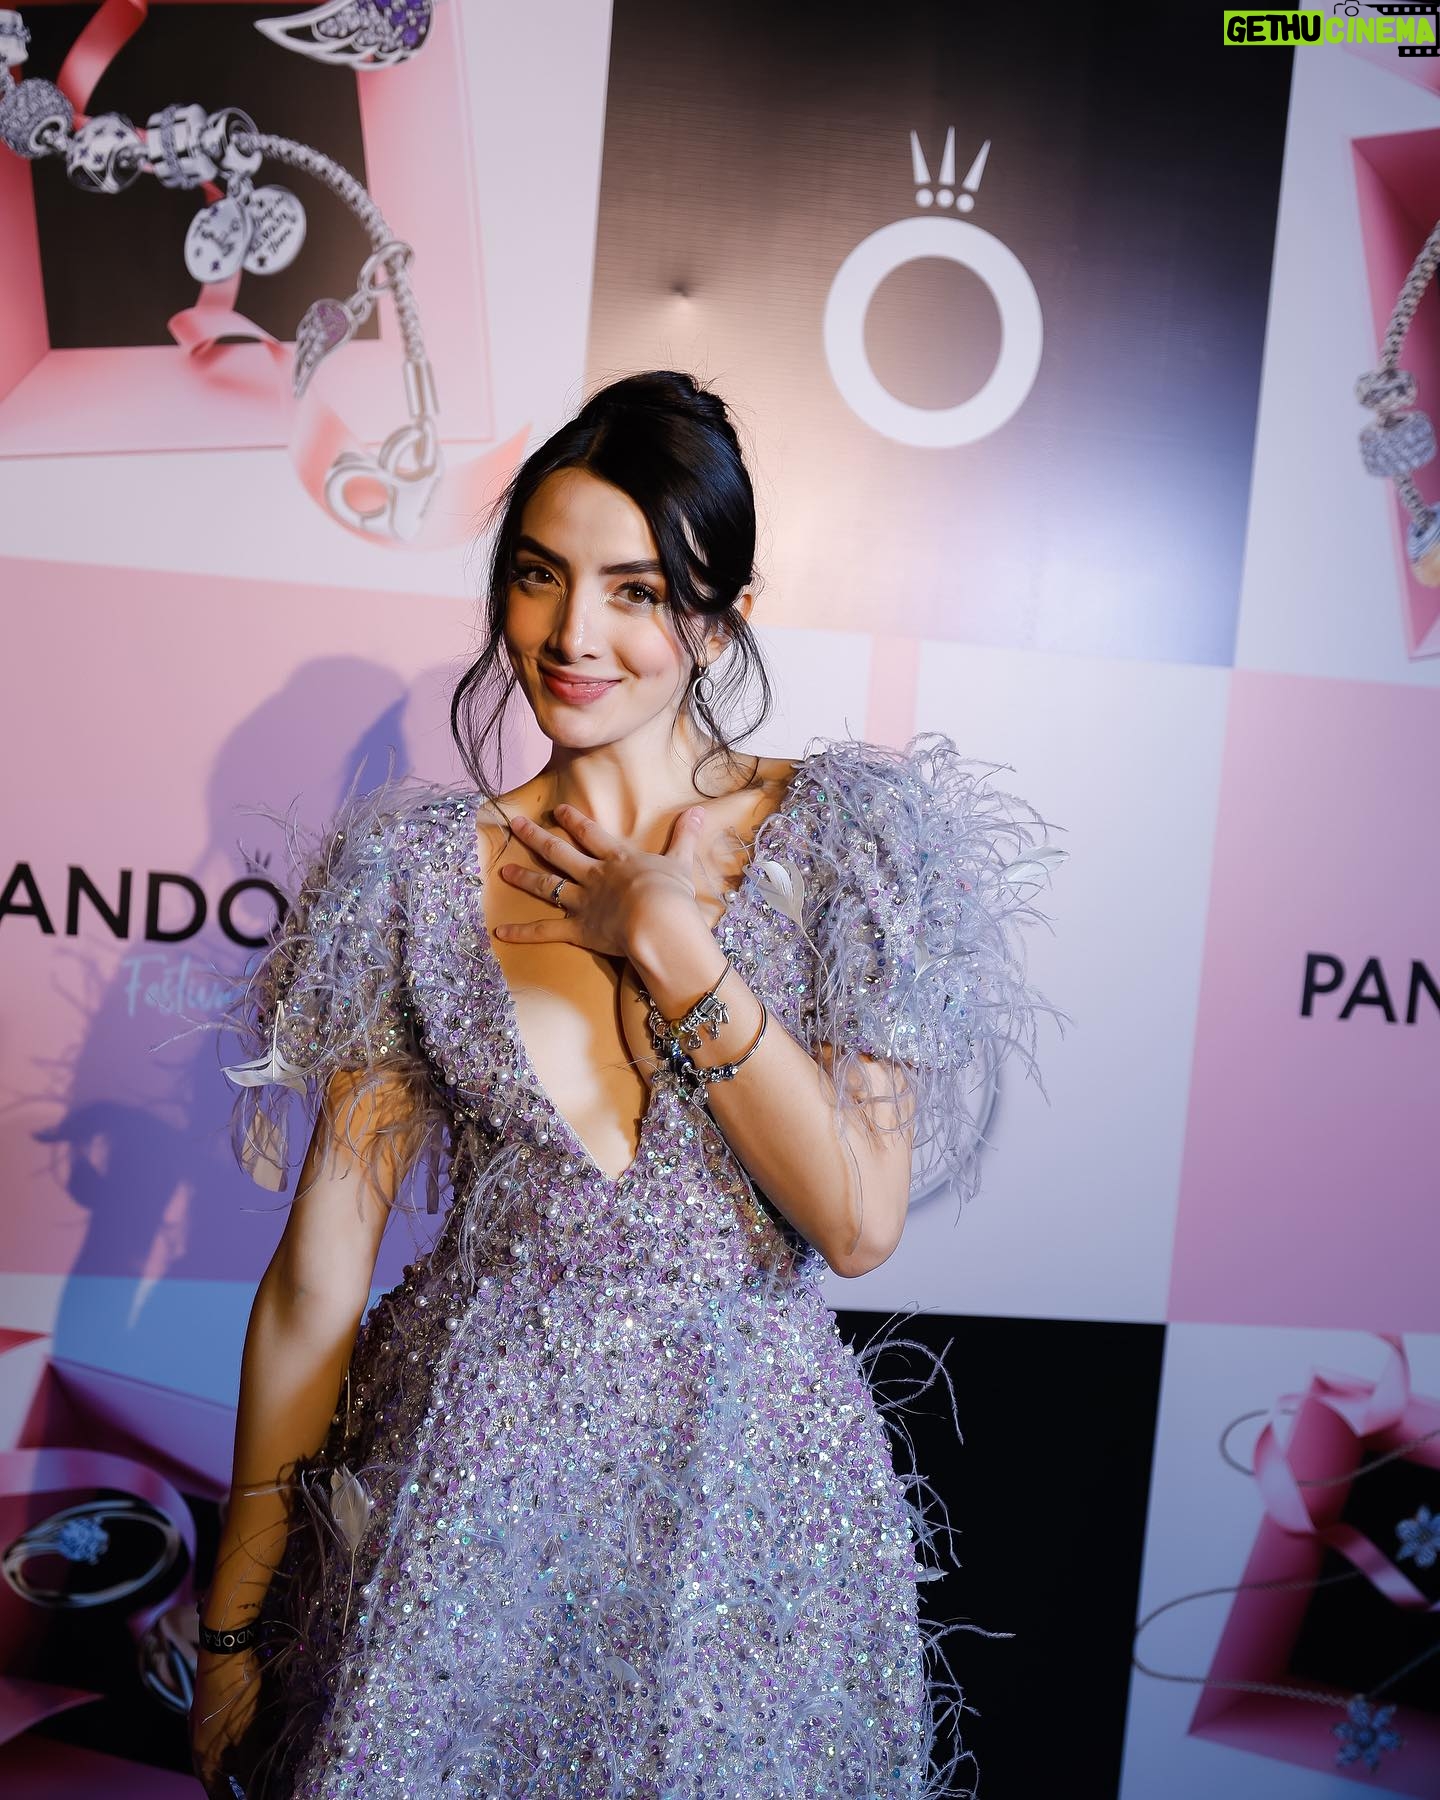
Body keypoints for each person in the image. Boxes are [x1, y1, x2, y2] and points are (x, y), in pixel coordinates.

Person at [189, 370, 1065, 1799]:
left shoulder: (849, 845)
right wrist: (236, 1618)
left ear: (721, 617)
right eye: (539, 576)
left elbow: (855, 1222)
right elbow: (317, 1276)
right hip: (459, 1503)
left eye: (636, 591)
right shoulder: (412, 873)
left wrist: (667, 939)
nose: (572, 636)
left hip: (747, 1513)